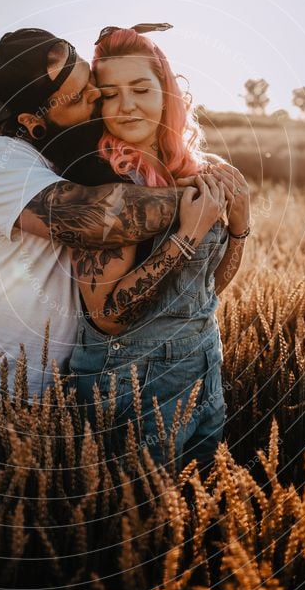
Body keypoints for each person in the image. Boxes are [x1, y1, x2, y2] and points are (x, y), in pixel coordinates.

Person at [0, 27, 232, 399]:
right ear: (32, 122)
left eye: (92, 80)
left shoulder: (69, 143)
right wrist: (205, 198)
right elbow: (99, 218)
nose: (98, 95)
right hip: (13, 388)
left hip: (79, 381)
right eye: (81, 97)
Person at [66, 25, 250, 471]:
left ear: (166, 93)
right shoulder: (101, 182)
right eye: (109, 93)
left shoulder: (197, 170)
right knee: (141, 526)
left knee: (195, 510)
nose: (126, 104)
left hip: (204, 359)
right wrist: (187, 234)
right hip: (130, 376)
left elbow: (206, 290)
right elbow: (108, 316)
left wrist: (240, 227)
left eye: (141, 88)